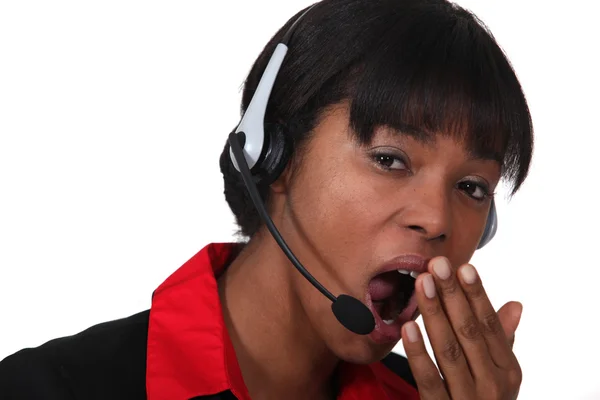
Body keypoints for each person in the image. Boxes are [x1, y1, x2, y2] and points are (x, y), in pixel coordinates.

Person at [0, 0, 533, 399]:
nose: (437, 219)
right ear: (272, 157)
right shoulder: (44, 389)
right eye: (390, 159)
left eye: (472, 188)